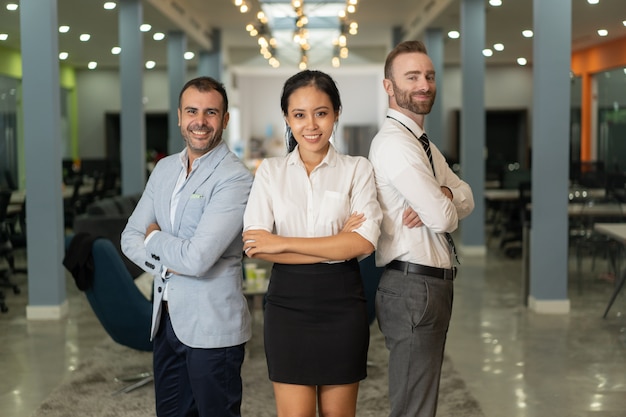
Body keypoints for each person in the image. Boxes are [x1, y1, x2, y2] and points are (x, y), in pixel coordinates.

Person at [242, 69, 383, 417]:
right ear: (287, 119)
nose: (311, 125)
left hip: (343, 303)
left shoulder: (357, 169)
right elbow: (256, 246)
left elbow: (364, 244)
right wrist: (337, 243)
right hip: (288, 306)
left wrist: (282, 243)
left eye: (321, 113)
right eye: (299, 115)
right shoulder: (271, 172)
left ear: (336, 113)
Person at [121, 76, 253, 417]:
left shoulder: (235, 178)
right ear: (179, 117)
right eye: (192, 111)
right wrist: (169, 260)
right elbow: (128, 238)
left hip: (212, 326)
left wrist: (153, 239)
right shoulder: (164, 169)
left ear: (224, 120)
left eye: (211, 112)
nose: (201, 121)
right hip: (165, 320)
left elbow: (197, 259)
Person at [368, 40, 475, 417]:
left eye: (428, 76)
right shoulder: (397, 145)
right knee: (413, 406)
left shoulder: (421, 144)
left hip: (427, 286)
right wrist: (444, 201)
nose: (424, 84)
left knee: (420, 401)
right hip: (413, 286)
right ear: (388, 86)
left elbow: (466, 197)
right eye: (411, 76)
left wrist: (443, 191)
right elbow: (446, 218)